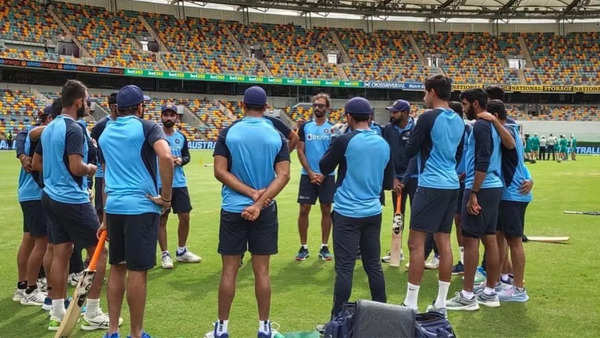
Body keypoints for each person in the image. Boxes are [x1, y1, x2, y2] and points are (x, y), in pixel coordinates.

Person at [208, 86, 290, 338]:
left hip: (233, 208)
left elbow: (220, 171)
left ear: (242, 105)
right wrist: (259, 199)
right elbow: (284, 175)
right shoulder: (276, 134)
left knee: (229, 270)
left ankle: (222, 328)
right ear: (266, 107)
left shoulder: (229, 131)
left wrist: (250, 195)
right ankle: (264, 328)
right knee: (262, 271)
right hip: (264, 210)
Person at [31, 80, 112, 331]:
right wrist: (92, 169)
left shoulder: (50, 127)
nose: (89, 105)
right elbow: (77, 167)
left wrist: (58, 174)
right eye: (87, 101)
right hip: (72, 199)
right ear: (78, 102)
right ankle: (93, 313)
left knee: (60, 252)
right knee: (100, 252)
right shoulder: (75, 128)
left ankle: (57, 313)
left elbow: (36, 164)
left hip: (50, 196)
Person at [99, 85, 172, 338]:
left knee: (117, 267)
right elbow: (165, 156)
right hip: (141, 207)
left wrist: (105, 217)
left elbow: (107, 174)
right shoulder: (148, 127)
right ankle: (136, 332)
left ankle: (112, 331)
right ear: (140, 106)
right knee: (137, 271)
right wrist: (166, 197)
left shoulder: (106, 132)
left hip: (115, 207)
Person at [319, 96, 392, 317]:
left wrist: (335, 139)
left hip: (347, 212)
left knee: (344, 268)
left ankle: (337, 319)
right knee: (373, 266)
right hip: (373, 211)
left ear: (348, 117)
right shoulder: (382, 142)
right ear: (370, 117)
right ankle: (384, 317)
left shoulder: (344, 141)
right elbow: (387, 183)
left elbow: (324, 166)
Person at [446, 89, 515, 311]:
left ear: (475, 104)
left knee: (471, 239)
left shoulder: (481, 126)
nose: (463, 109)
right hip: (492, 187)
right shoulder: (491, 125)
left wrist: (474, 192)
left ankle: (467, 295)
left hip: (481, 188)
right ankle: (489, 292)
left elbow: (482, 159)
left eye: (465, 104)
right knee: (490, 238)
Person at [402, 75, 465, 316]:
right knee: (444, 242)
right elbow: (458, 154)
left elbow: (410, 149)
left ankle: (410, 303)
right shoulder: (458, 119)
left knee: (416, 244)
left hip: (430, 184)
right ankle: (440, 304)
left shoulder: (428, 117)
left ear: (433, 92)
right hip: (450, 184)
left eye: (424, 92)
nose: (423, 97)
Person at [13, 105, 59, 307]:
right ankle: (31, 289)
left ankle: (23, 286)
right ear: (49, 118)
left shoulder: (30, 134)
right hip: (36, 194)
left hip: (28, 194)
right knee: (42, 242)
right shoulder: (37, 134)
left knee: (29, 240)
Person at [487, 100, 532, 302]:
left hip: (513, 194)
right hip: (508, 192)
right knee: (498, 238)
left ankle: (519, 288)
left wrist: (495, 123)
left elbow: (512, 148)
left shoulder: (508, 131)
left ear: (495, 115)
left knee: (514, 240)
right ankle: (496, 281)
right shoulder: (508, 129)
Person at [158, 104, 201, 269]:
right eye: (166, 115)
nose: (169, 118)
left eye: (172, 115)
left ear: (177, 117)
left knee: (185, 216)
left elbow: (187, 156)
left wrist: (180, 161)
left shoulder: (181, 137)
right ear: (161, 117)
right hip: (161, 182)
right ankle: (165, 254)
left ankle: (182, 251)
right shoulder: (155, 136)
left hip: (179, 183)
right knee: (162, 218)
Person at [295, 93, 335, 261]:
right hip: (307, 175)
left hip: (328, 176)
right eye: (315, 105)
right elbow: (300, 151)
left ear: (327, 108)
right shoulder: (305, 127)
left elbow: (334, 154)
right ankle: (303, 247)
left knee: (326, 210)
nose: (318, 108)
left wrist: (324, 174)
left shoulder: (333, 128)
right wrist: (311, 172)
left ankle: (324, 247)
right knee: (304, 210)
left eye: (321, 105)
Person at [380, 99, 414, 264]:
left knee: (418, 216)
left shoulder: (416, 128)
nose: (392, 114)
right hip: (396, 179)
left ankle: (418, 252)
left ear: (405, 113)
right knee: (398, 215)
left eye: (395, 112)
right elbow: (387, 155)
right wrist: (393, 178)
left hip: (414, 178)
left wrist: (405, 179)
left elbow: (416, 156)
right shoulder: (388, 129)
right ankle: (397, 251)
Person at [90, 92, 118, 223]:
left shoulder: (128, 124)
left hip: (121, 173)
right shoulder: (101, 125)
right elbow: (92, 147)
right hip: (103, 173)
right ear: (113, 106)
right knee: (101, 208)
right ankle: (102, 238)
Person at [449, 101, 469, 275]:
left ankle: (468, 262)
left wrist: (462, 172)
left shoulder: (467, 130)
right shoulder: (453, 130)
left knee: (463, 222)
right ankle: (463, 261)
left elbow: (471, 154)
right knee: (457, 221)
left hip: (463, 182)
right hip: (452, 180)